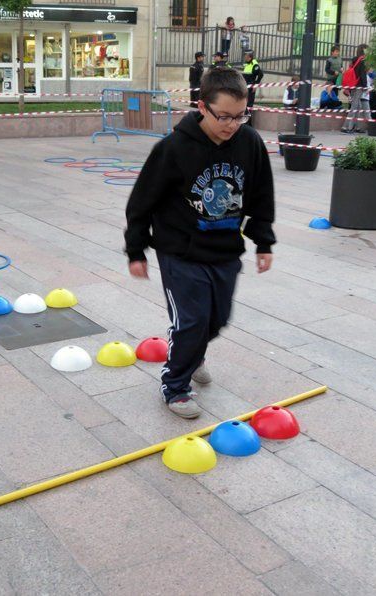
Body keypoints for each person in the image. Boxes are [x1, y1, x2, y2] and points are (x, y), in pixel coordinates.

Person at [124, 67, 275, 419]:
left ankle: (194, 356)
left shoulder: (249, 143)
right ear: (202, 106)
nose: (232, 124)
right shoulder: (174, 148)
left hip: (225, 251)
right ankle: (175, 385)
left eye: (240, 116)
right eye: (224, 116)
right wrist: (136, 249)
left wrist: (263, 242)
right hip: (181, 252)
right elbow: (142, 202)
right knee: (191, 321)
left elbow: (261, 195)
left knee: (217, 319)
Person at [341, 44, 368, 134]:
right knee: (354, 106)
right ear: (364, 51)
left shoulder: (354, 60)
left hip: (352, 85)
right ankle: (346, 127)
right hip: (358, 85)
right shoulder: (363, 61)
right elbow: (362, 74)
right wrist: (365, 86)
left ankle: (356, 127)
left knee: (358, 105)